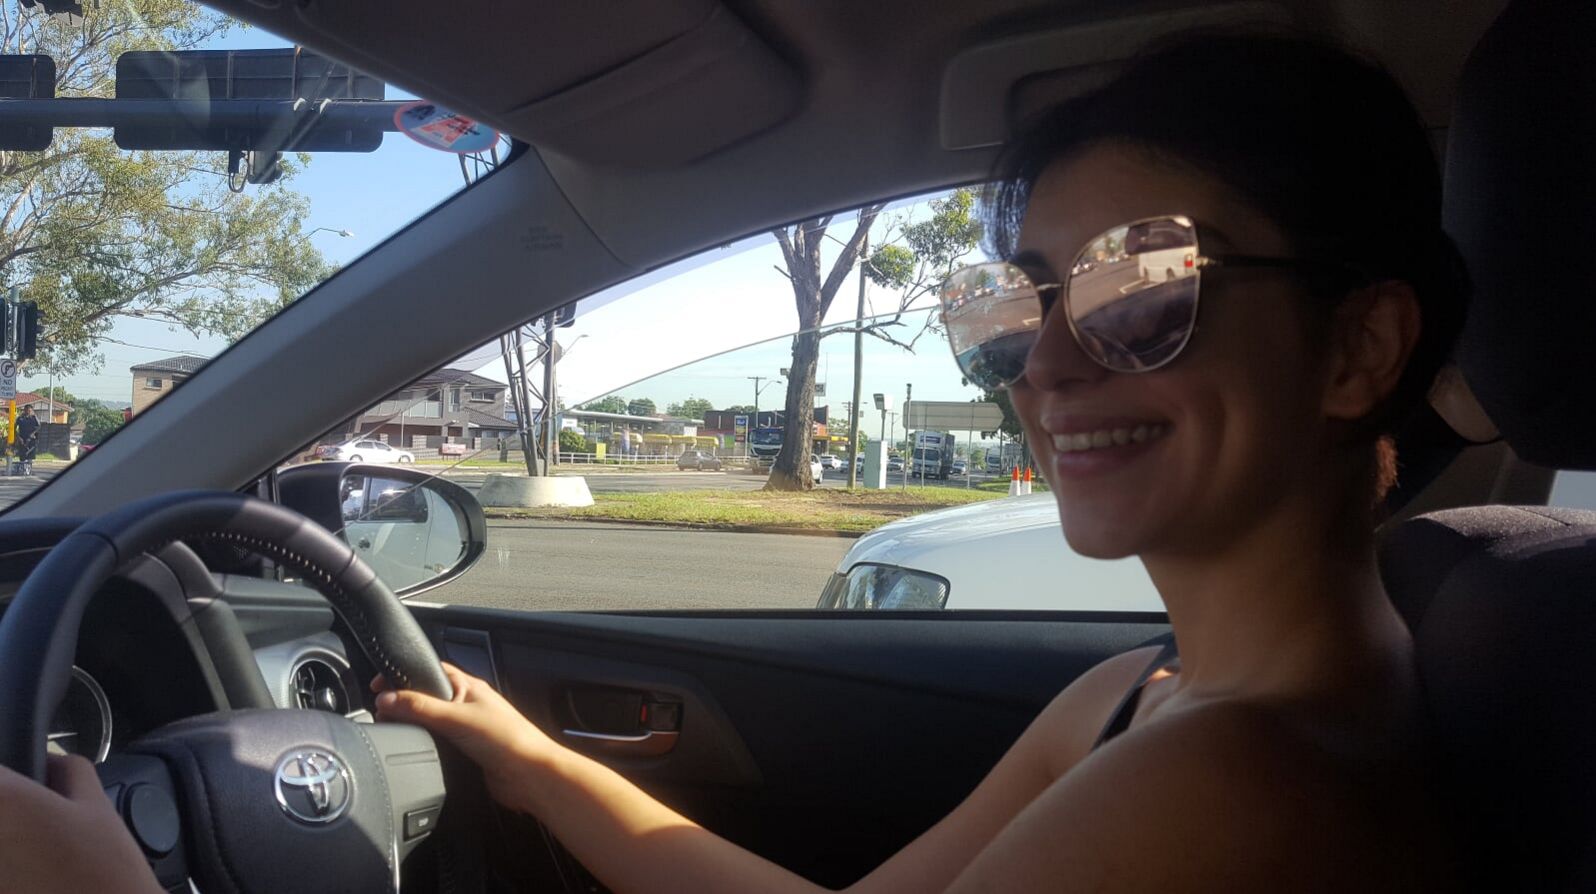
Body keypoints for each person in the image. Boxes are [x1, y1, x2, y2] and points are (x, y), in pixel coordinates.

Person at [0, 32, 1467, 892]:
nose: (1052, 362)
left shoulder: (1244, 774)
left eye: (1146, 290)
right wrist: (532, 764)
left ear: (1356, 348)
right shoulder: (1150, 691)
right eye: (1024, 297)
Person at [14, 405, 39, 475]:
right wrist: (19, 437)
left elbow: (39, 427)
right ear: (24, 410)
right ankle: (23, 471)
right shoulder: (20, 418)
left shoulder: (34, 418)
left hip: (31, 440)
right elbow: (14, 428)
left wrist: (33, 434)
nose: (28, 412)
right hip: (22, 439)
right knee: (22, 456)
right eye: (27, 410)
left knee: (30, 456)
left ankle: (29, 471)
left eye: (30, 410)